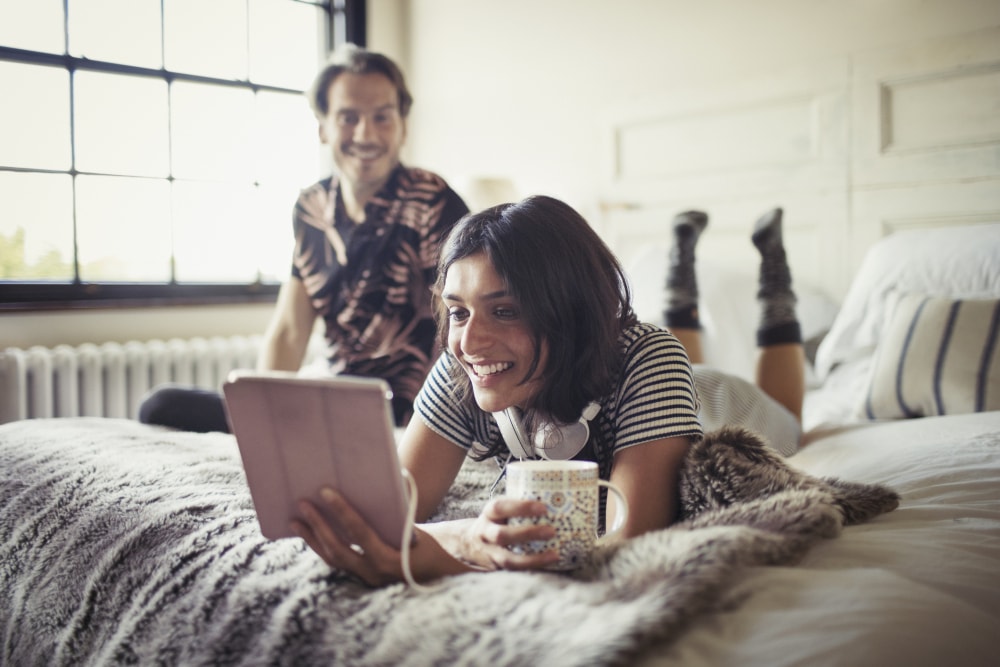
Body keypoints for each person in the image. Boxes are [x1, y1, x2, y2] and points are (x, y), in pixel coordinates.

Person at [291, 195, 808, 587]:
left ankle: (775, 281)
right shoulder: (465, 364)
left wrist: (447, 558)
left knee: (789, 415)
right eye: (458, 311)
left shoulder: (650, 358)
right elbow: (391, 512)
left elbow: (626, 547)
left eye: (505, 310)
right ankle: (680, 273)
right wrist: (467, 538)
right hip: (656, 379)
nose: (469, 342)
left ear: (571, 313)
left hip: (719, 400)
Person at [139, 44, 469, 432]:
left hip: (409, 411)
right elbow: (290, 330)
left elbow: (459, 324)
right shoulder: (311, 207)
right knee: (160, 405)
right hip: (329, 396)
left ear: (403, 126)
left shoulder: (432, 201)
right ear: (323, 128)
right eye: (348, 117)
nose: (365, 134)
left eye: (382, 117)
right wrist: (260, 414)